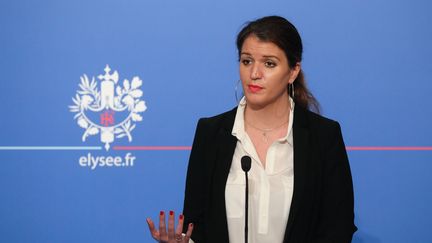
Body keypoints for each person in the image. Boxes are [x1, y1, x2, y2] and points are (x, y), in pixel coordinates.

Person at [147, 15, 357, 243]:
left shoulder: (323, 137)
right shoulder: (211, 133)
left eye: (269, 63)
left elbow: (338, 228)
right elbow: (196, 227)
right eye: (247, 61)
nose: (254, 73)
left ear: (293, 71)